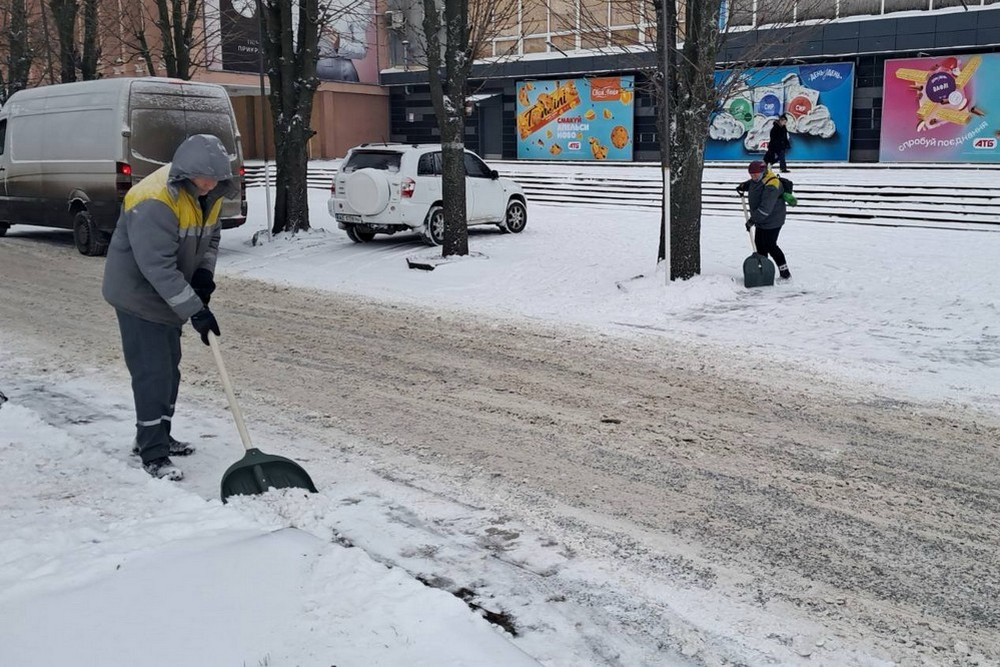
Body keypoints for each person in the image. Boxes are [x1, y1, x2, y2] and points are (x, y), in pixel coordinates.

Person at [102, 134, 238, 481]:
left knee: (170, 370)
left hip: (170, 294)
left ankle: (158, 435)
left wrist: (204, 276)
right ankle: (152, 453)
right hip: (138, 295)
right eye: (203, 179)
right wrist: (196, 310)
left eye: (216, 179)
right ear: (185, 173)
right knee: (153, 372)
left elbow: (212, 238)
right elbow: (156, 267)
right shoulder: (154, 200)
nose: (209, 184)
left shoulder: (211, 194)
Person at [736, 160, 791, 280]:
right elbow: (754, 183)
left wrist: (752, 220)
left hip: (773, 219)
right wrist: (744, 186)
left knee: (771, 245)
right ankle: (763, 270)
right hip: (761, 219)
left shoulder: (772, 184)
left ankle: (785, 272)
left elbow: (766, 208)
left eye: (756, 174)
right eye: (751, 175)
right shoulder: (758, 179)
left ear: (763, 172)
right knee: (759, 245)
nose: (753, 177)